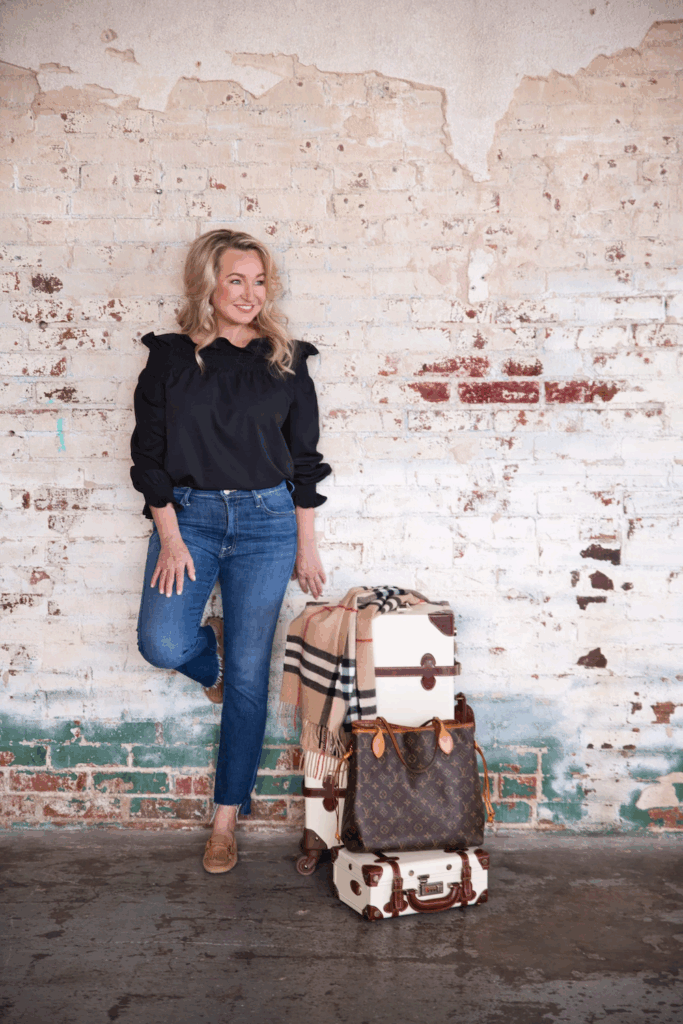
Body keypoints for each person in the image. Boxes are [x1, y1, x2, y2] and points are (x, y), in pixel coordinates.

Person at [130, 229, 331, 874]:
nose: (249, 294)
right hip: (188, 519)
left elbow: (303, 463)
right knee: (162, 643)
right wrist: (169, 536)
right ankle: (204, 655)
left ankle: (225, 821)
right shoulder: (169, 359)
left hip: (269, 523)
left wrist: (306, 544)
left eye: (259, 281)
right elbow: (148, 456)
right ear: (209, 286)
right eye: (236, 281)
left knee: (251, 678)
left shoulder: (286, 360)